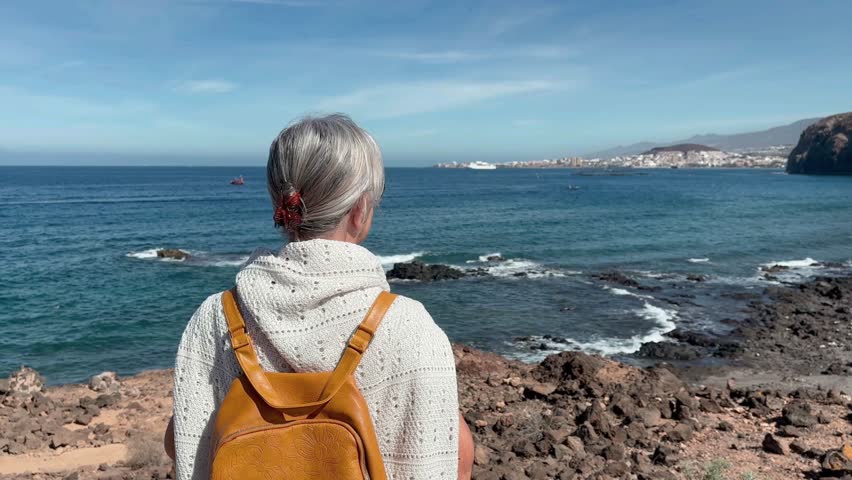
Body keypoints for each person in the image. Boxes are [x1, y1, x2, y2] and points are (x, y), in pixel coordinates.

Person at [164, 114, 474, 479]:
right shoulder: (408, 326)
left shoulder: (215, 318)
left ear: (280, 204)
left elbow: (184, 443)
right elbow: (446, 457)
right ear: (360, 210)